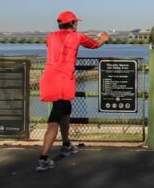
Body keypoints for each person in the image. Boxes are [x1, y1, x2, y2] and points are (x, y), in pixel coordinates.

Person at [36, 11, 109, 172]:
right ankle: (43, 158)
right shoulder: (77, 37)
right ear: (71, 24)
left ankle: (66, 143)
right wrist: (103, 39)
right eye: (76, 22)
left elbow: (52, 47)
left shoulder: (50, 36)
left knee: (66, 108)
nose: (77, 25)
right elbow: (94, 45)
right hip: (63, 80)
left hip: (49, 78)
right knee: (55, 117)